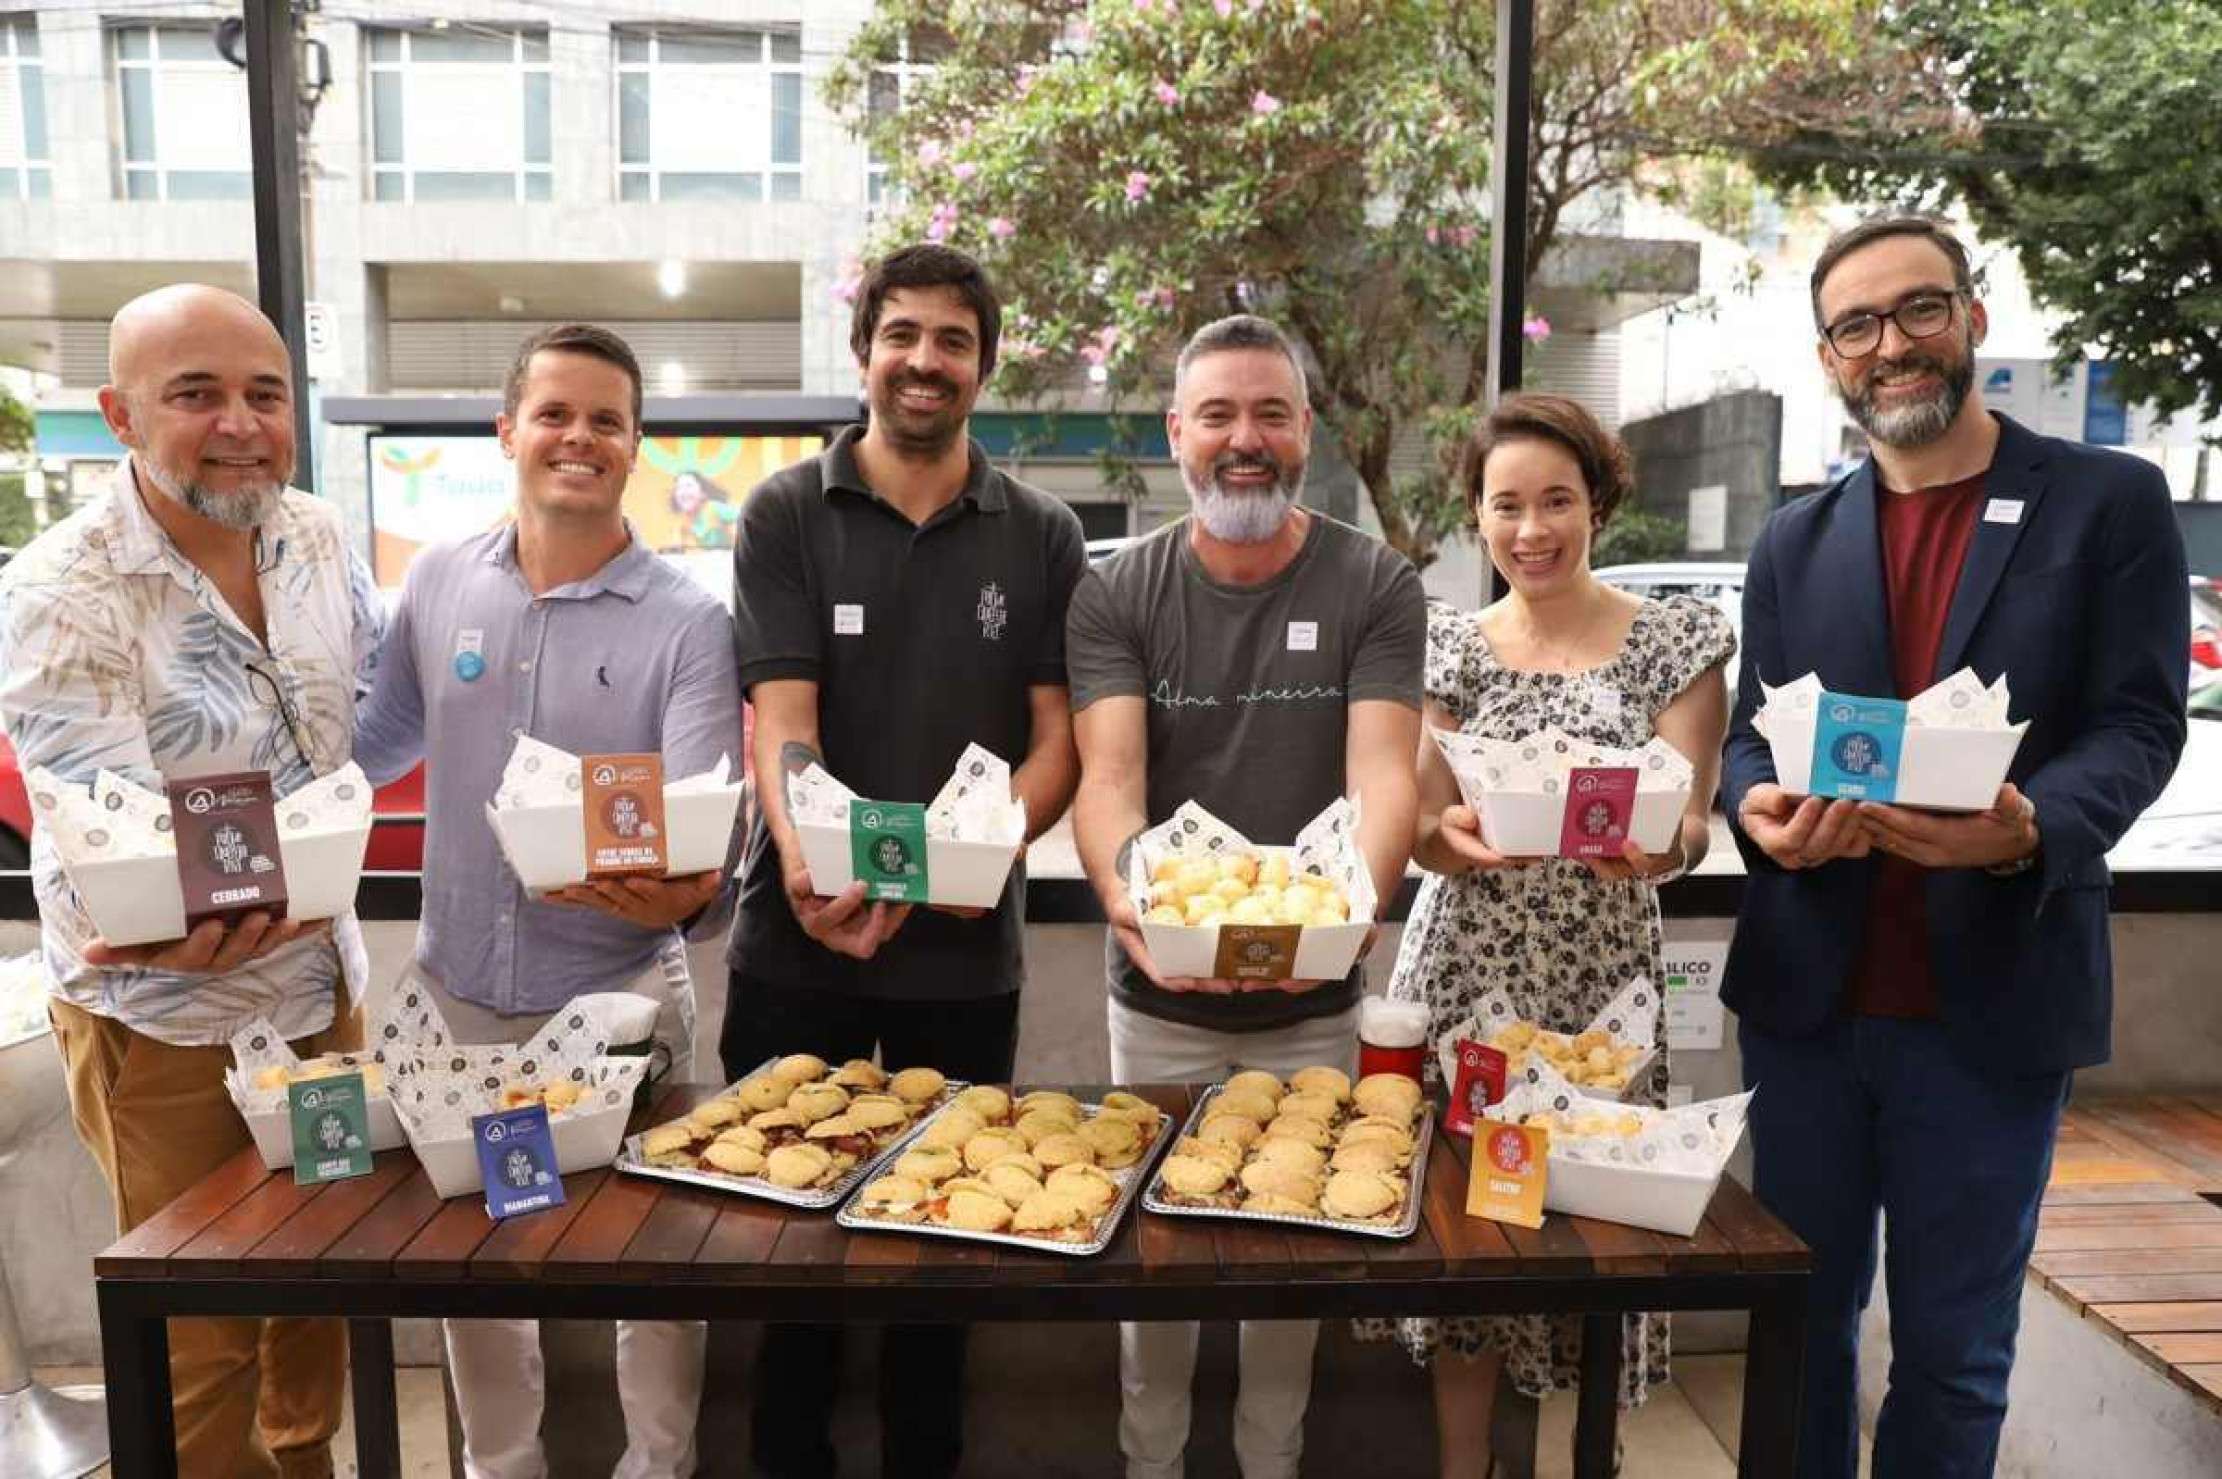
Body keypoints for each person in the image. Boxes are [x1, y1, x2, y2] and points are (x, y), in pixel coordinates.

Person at [1721, 214, 2189, 1479]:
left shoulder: (2106, 500)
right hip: (1809, 1005)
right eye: (1856, 327)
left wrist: (2030, 824)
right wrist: (1755, 811)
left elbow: (2140, 723)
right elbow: (1749, 744)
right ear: (1828, 358)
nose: (1893, 347)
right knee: (1798, 1326)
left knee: (1950, 1347)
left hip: (1990, 1000)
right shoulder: (1791, 541)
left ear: (1972, 318)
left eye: (1918, 311)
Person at [0, 284, 384, 1477]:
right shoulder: (65, 588)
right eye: (195, 395)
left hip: (320, 999)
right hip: (163, 1020)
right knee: (198, 1324)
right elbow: (89, 823)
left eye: (265, 394)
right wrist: (156, 927)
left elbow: (354, 733)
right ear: (120, 415)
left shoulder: (316, 536)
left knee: (322, 1282)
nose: (240, 423)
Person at [724, 242, 1086, 1479]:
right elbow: (782, 722)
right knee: (788, 1247)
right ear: (864, 349)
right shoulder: (783, 510)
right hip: (795, 944)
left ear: (984, 365)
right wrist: (816, 876)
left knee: (945, 1251)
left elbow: (1057, 744)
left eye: (952, 341)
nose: (924, 361)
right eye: (903, 335)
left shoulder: (1038, 531)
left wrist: (965, 854)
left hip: (962, 956)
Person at [353, 322, 738, 1479]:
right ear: (507, 430)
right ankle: (499, 1467)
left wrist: (676, 894)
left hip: (618, 1000)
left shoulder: (687, 620)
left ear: (634, 448)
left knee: (653, 1262)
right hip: (462, 998)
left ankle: (656, 1466)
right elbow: (372, 748)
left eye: (607, 421)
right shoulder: (435, 579)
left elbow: (700, 827)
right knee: (473, 1259)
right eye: (555, 414)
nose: (579, 438)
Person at [1066, 313, 1424, 1479]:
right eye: (1215, 414)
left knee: (1289, 1280)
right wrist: (1140, 908)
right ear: (1176, 434)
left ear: (1306, 432)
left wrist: (1343, 914)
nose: (1243, 440)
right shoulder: (1117, 593)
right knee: (1152, 1273)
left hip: (1315, 1008)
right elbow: (1108, 784)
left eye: (1269, 413)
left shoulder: (1374, 583)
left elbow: (1381, 777)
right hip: (1156, 999)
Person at [1351, 393, 1734, 1478]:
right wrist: (1451, 840)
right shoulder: (1449, 649)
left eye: (1555, 500)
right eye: (1505, 504)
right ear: (1475, 517)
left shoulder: (1674, 643)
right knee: (1474, 1234)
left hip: (1601, 986)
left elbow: (1693, 816)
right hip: (1470, 972)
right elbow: (1422, 826)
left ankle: (1592, 1462)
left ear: (1596, 505)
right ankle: (1460, 1466)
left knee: (1597, 1233)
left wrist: (1661, 844)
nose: (1531, 529)